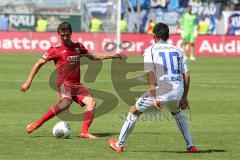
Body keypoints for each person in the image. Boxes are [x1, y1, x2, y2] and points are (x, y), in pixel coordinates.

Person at [21, 21, 124, 139]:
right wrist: (28, 81)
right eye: (62, 35)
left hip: (76, 85)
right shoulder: (55, 49)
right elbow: (38, 63)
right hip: (64, 83)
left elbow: (93, 56)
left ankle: (84, 132)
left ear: (71, 33)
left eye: (67, 35)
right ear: (58, 34)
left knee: (91, 103)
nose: (65, 37)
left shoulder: (78, 47)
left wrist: (111, 55)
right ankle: (37, 124)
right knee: (66, 103)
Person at [108, 23, 197, 153]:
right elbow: (187, 75)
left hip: (161, 91)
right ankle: (191, 145)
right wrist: (184, 97)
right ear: (168, 36)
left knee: (134, 110)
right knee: (177, 113)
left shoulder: (150, 50)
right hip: (178, 91)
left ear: (154, 36)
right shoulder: (177, 50)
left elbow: (150, 73)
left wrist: (154, 97)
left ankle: (119, 144)